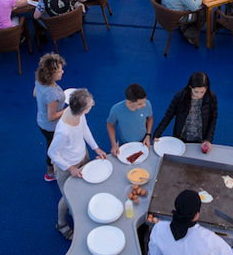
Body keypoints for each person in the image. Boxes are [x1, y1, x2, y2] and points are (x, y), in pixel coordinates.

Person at [47, 88, 108, 239]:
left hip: (82, 157)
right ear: (82, 109)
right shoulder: (63, 131)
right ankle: (61, 224)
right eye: (89, 106)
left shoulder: (78, 115)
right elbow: (52, 153)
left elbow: (85, 129)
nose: (91, 106)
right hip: (67, 167)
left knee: (81, 190)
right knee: (66, 198)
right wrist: (71, 168)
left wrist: (96, 148)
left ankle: (74, 211)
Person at [153, 72, 217, 151]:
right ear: (190, 87)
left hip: (200, 139)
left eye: (202, 92)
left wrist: (208, 139)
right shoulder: (180, 97)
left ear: (207, 88)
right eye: (196, 92)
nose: (199, 95)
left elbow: (213, 119)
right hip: (181, 137)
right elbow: (168, 116)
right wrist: (157, 134)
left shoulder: (211, 97)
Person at [33, 53, 66, 182]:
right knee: (53, 148)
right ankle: (50, 172)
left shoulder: (39, 81)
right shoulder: (52, 94)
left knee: (50, 145)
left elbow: (35, 93)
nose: (62, 71)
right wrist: (67, 110)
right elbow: (52, 117)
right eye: (59, 70)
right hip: (50, 126)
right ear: (51, 74)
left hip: (41, 122)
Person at [106, 83, 153, 157]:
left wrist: (148, 135)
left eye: (144, 101)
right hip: (124, 144)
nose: (144, 105)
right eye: (140, 104)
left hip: (142, 142)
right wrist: (114, 144)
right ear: (129, 102)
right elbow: (110, 125)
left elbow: (150, 118)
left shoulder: (147, 104)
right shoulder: (116, 109)